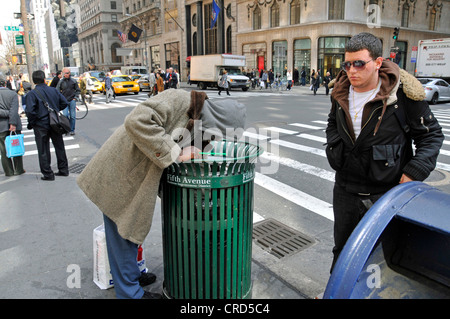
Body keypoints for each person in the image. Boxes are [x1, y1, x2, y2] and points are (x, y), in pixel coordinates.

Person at [76, 89, 246, 299]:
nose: (214, 139)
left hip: (135, 178)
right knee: (122, 235)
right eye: (219, 133)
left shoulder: (200, 125)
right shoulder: (180, 99)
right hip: (119, 172)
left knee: (129, 230)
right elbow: (137, 121)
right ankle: (130, 293)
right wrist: (175, 152)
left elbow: (189, 159)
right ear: (217, 120)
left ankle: (132, 276)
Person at [325, 32, 444, 272]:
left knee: (380, 255)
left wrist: (413, 172)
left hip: (384, 193)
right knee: (343, 249)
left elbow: (431, 135)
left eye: (359, 63)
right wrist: (335, 147)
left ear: (378, 63)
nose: (351, 70)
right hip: (345, 190)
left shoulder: (402, 95)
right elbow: (331, 124)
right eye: (347, 64)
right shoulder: (340, 91)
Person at [25, 70, 70, 181]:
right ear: (44, 79)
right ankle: (63, 170)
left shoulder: (32, 94)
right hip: (55, 122)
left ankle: (48, 174)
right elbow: (64, 102)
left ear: (34, 81)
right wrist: (54, 111)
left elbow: (30, 111)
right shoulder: (53, 90)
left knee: (43, 149)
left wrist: (33, 122)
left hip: (40, 124)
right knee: (59, 146)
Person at [0, 75, 25, 177]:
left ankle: (9, 171)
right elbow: (14, 110)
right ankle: (18, 169)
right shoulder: (13, 94)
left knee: (3, 150)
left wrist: (7, 113)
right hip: (15, 124)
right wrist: (12, 122)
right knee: (16, 147)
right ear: (5, 83)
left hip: (1, 126)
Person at [56, 68, 80, 135]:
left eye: (66, 73)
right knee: (65, 115)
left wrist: (75, 98)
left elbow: (78, 90)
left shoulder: (73, 81)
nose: (65, 75)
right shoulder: (61, 82)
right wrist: (60, 99)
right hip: (64, 101)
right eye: (64, 73)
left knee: (72, 116)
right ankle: (67, 128)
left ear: (69, 73)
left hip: (72, 100)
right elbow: (57, 91)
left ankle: (72, 129)